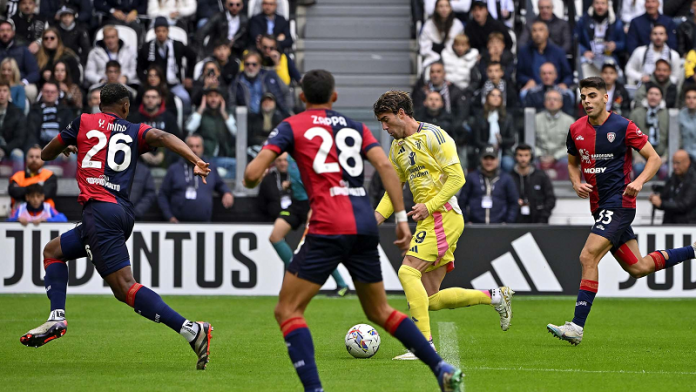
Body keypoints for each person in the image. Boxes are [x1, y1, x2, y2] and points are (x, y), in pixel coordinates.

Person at [244, 70, 464, 391]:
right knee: (380, 310)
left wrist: (254, 176)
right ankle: (440, 367)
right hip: (362, 222)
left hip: (328, 223)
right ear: (334, 97)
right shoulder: (356, 126)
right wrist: (401, 219)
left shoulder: (292, 125)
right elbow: (387, 169)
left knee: (288, 309)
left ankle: (314, 389)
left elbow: (251, 175)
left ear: (302, 98)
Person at [20, 84, 214, 372]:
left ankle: (191, 330)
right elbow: (161, 136)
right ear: (125, 106)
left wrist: (72, 142)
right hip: (119, 212)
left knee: (125, 288)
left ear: (100, 104)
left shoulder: (83, 122)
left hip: (98, 211)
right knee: (53, 251)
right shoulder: (134, 129)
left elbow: (47, 153)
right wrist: (195, 159)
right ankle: (57, 316)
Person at [546, 76, 696, 345]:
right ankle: (693, 250)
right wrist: (574, 181)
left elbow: (655, 158)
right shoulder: (576, 129)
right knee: (637, 268)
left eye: (592, 95)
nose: (587, 101)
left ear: (606, 97)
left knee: (587, 256)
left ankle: (576, 327)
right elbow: (572, 162)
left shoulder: (623, 126)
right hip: (599, 206)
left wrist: (638, 181)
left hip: (619, 204)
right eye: (583, 97)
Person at [373, 90, 513, 361]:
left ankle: (423, 346)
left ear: (402, 113)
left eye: (386, 120)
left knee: (407, 273)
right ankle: (496, 296)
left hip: (442, 215)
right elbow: (393, 191)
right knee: (430, 298)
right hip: (430, 218)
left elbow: (457, 178)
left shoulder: (435, 136)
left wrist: (430, 204)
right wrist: (374, 219)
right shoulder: (397, 148)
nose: (384, 127)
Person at [260, 153, 351, 296]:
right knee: (275, 236)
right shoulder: (290, 157)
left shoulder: (310, 156)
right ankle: (295, 274)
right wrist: (289, 184)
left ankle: (342, 285)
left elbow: (321, 181)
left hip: (313, 203)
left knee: (319, 245)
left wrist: (315, 206)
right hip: (296, 205)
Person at [158, 134, 234, 222]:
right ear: (185, 148)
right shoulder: (174, 169)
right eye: (191, 146)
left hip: (203, 226)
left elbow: (220, 184)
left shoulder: (210, 168)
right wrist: (169, 217)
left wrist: (227, 192)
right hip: (178, 225)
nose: (194, 149)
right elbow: (162, 195)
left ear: (202, 148)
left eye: (197, 146)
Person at [137, 17, 197, 111]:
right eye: (158, 31)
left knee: (185, 98)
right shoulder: (147, 47)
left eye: (163, 31)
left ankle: (185, 123)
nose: (161, 33)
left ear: (168, 31)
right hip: (153, 85)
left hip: (173, 84)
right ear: (155, 32)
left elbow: (193, 56)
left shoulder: (177, 45)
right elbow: (139, 67)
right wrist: (146, 80)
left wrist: (189, 76)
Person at [459, 145, 519, 223]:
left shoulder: (506, 178)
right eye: (486, 158)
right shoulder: (472, 177)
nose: (489, 162)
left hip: (500, 226)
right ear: (481, 160)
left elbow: (513, 203)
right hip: (475, 226)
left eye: (492, 158)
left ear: (497, 160)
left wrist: (508, 222)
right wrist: (466, 221)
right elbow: (462, 201)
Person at [185, 87, 237, 177]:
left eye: (216, 96)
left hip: (224, 157)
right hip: (206, 157)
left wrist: (224, 113)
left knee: (236, 165)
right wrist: (201, 108)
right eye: (210, 96)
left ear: (221, 98)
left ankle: (215, 180)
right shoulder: (200, 113)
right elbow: (189, 128)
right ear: (205, 98)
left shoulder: (227, 113)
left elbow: (236, 132)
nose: (213, 99)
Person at [128, 86, 182, 168]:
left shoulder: (168, 117)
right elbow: (128, 140)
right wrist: (140, 152)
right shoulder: (134, 118)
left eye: (154, 97)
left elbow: (177, 140)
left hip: (165, 161)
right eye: (147, 97)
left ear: (159, 100)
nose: (150, 100)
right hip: (140, 161)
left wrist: (163, 153)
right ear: (143, 99)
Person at [517, 20, 572, 98]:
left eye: (541, 30)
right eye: (534, 31)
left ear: (547, 33)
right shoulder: (524, 52)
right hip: (534, 88)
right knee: (523, 94)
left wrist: (564, 84)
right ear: (531, 34)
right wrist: (528, 81)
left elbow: (568, 75)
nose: (537, 34)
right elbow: (519, 74)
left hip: (555, 88)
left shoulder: (558, 52)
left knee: (570, 95)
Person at [229, 51, 291, 116]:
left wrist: (287, 109)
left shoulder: (270, 76)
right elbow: (231, 103)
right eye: (247, 64)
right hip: (248, 120)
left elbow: (286, 92)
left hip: (271, 117)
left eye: (254, 64)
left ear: (259, 65)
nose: (250, 67)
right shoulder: (237, 82)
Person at [575, 0, 626, 78]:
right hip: (589, 57)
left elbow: (624, 43)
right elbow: (575, 41)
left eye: (603, 3)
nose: (600, 6)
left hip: (609, 57)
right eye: (597, 3)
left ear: (608, 5)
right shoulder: (583, 21)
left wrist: (615, 45)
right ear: (592, 4)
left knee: (615, 72)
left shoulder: (616, 22)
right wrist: (584, 51)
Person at [629, 83, 669, 178]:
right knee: (639, 169)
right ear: (646, 95)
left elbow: (673, 139)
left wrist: (666, 156)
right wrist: (636, 156)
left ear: (661, 97)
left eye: (656, 94)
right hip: (641, 156)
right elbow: (630, 138)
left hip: (661, 156)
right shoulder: (636, 113)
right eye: (651, 93)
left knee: (665, 171)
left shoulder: (667, 115)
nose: (653, 97)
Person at [470, 88, 515, 172]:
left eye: (499, 96)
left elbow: (512, 140)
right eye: (493, 95)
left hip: (503, 150)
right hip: (484, 150)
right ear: (487, 98)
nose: (496, 98)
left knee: (508, 163)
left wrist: (501, 140)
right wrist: (490, 147)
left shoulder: (507, 117)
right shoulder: (480, 116)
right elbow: (476, 140)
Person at [534, 89, 575, 176]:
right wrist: (540, 155)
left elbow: (572, 145)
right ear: (544, 102)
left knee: (570, 162)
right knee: (529, 161)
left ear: (561, 103)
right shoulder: (535, 119)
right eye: (549, 99)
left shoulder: (569, 121)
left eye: (555, 99)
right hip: (539, 156)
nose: (552, 102)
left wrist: (555, 157)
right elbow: (530, 142)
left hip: (560, 157)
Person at [511, 144, 556, 224]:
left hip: (538, 220)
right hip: (515, 222)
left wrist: (543, 217)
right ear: (515, 157)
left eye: (526, 155)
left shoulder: (541, 176)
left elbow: (551, 199)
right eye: (520, 155)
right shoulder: (510, 177)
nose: (523, 158)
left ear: (531, 157)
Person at [649, 150, 696, 224]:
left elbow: (684, 205)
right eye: (673, 163)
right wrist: (657, 199)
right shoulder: (674, 177)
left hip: (687, 227)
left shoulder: (693, 180)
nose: (674, 166)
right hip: (669, 225)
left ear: (687, 163)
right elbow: (665, 197)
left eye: (678, 163)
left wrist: (662, 203)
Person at [0, 19, 39, 100]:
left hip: (19, 82)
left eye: (8, 30)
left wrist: (23, 82)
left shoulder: (23, 49)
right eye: (2, 30)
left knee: (31, 90)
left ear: (13, 33)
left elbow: (35, 72)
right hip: (1, 83)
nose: (5, 33)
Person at [419, 0, 465, 68]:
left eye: (447, 6)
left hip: (452, 59)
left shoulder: (457, 25)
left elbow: (461, 44)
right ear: (436, 9)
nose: (444, 9)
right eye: (441, 6)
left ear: (450, 8)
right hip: (432, 59)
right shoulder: (428, 25)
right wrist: (437, 57)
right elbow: (424, 47)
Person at [27, 81, 73, 148]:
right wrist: (35, 146)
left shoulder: (66, 111)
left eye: (52, 92)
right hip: (39, 147)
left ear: (58, 93)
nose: (49, 94)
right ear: (42, 92)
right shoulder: (34, 110)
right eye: (47, 92)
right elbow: (31, 133)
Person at [0, 81, 26, 170]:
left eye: (4, 91)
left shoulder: (17, 113)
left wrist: (4, 150)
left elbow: (19, 139)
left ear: (9, 94)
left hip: (10, 148)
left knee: (18, 154)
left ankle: (17, 183)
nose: (1, 94)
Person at [680, 86, 696, 157]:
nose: (691, 100)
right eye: (688, 98)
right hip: (685, 155)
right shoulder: (680, 115)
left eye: (694, 98)